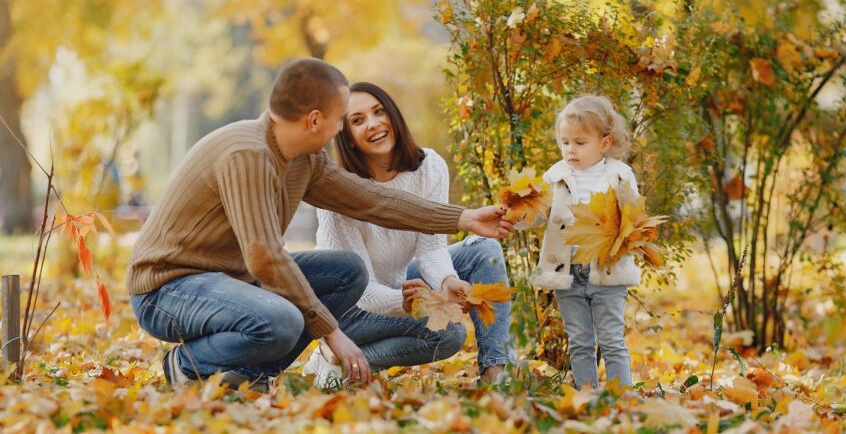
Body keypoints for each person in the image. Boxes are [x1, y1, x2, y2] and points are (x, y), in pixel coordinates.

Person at [126, 59, 513, 391]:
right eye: (343, 119)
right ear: (315, 120)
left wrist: (462, 218)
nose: (343, 130)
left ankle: (250, 374)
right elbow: (265, 257)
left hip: (230, 282)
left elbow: (374, 201)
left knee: (346, 271)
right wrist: (332, 333)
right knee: (282, 319)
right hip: (168, 290)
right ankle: (186, 366)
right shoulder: (247, 155)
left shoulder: (305, 160)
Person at [308, 82, 515, 387]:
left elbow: (431, 248)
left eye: (379, 112)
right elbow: (363, 291)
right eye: (358, 120)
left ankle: (495, 371)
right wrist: (413, 304)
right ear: (347, 137)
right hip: (345, 310)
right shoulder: (339, 193)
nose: (374, 124)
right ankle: (339, 362)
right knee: (449, 332)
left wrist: (447, 281)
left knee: (483, 249)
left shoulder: (429, 166)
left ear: (393, 114)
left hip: (399, 284)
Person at [516, 94, 638, 389]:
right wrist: (517, 214)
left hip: (606, 271)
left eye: (580, 143)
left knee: (611, 339)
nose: (570, 150)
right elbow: (539, 214)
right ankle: (587, 394)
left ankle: (621, 397)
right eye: (564, 142)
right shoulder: (556, 175)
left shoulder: (620, 176)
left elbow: (634, 221)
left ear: (604, 143)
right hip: (567, 273)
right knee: (580, 339)